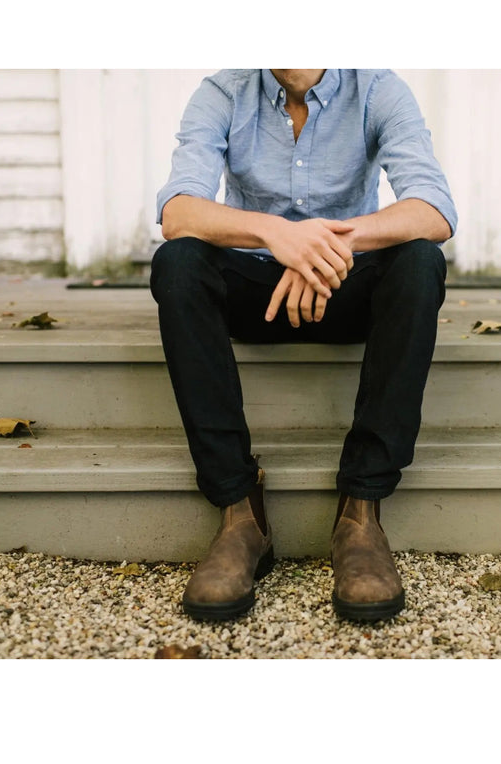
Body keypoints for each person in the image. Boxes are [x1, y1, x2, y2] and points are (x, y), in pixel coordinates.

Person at [150, 69, 457, 622]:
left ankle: (361, 509)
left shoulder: (378, 90)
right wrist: (277, 235)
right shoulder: (223, 92)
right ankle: (239, 511)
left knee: (419, 262)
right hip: (258, 291)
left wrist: (321, 245)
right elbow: (179, 211)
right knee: (178, 263)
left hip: (347, 287)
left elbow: (432, 209)